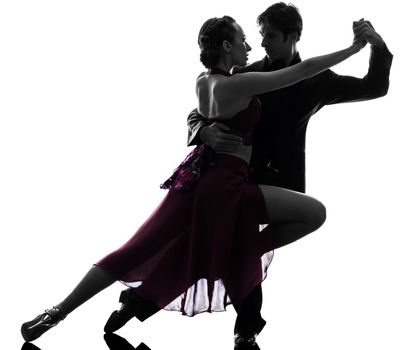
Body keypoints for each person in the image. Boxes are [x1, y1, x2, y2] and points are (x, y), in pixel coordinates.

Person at [21, 14, 365, 345]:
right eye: (243, 38)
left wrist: (204, 129)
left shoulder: (203, 82)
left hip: (195, 177)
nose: (250, 45)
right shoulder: (241, 83)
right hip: (226, 185)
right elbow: (303, 70)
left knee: (133, 249)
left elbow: (201, 114)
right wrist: (353, 49)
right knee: (313, 214)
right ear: (227, 46)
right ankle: (234, 264)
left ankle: (56, 312)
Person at [184, 3, 393, 347]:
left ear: (293, 36)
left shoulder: (318, 80)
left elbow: (375, 87)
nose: (262, 42)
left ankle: (154, 304)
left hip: (284, 180)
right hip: (238, 176)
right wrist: (201, 131)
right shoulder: (245, 73)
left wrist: (377, 46)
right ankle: (245, 330)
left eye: (270, 36)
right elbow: (199, 109)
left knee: (244, 249)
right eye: (261, 34)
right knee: (240, 252)